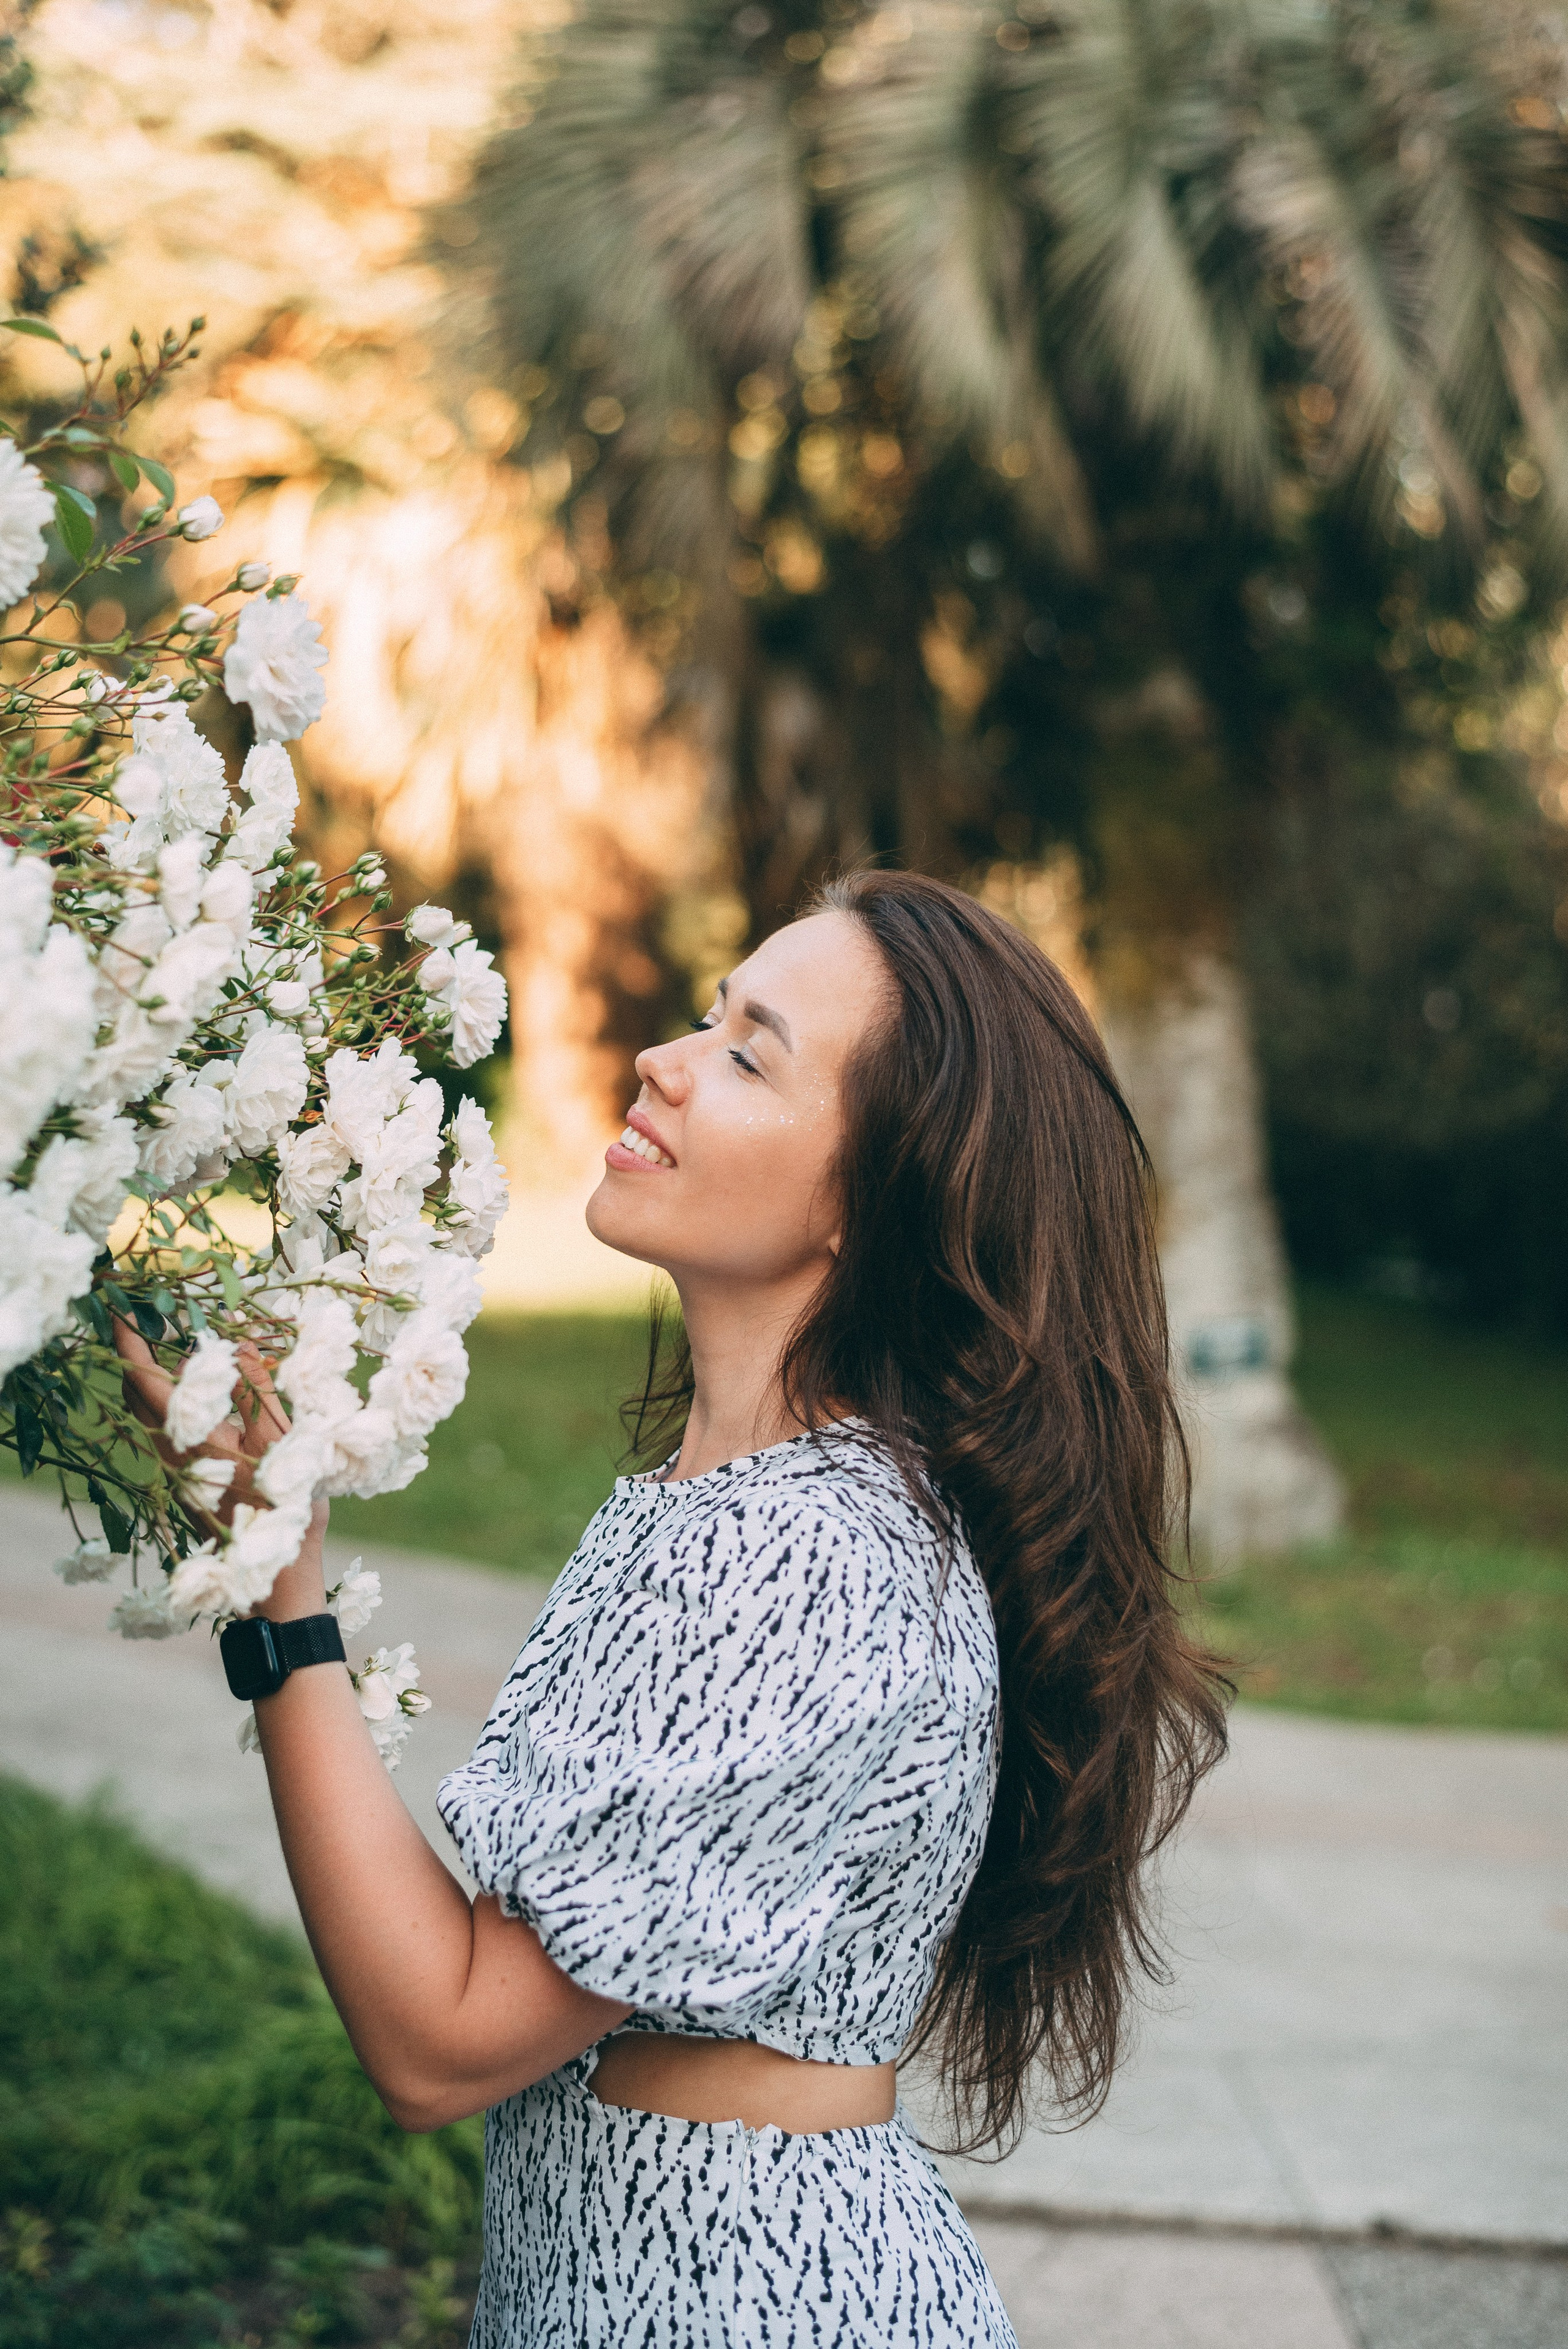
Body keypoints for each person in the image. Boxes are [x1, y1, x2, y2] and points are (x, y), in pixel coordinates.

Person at [116, 869, 1228, 2348]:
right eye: (712, 1013)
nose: (666, 1057)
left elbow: (440, 2044)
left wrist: (283, 1603)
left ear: (867, 1198)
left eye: (749, 1053)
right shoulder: (739, 1500)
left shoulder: (802, 1561)